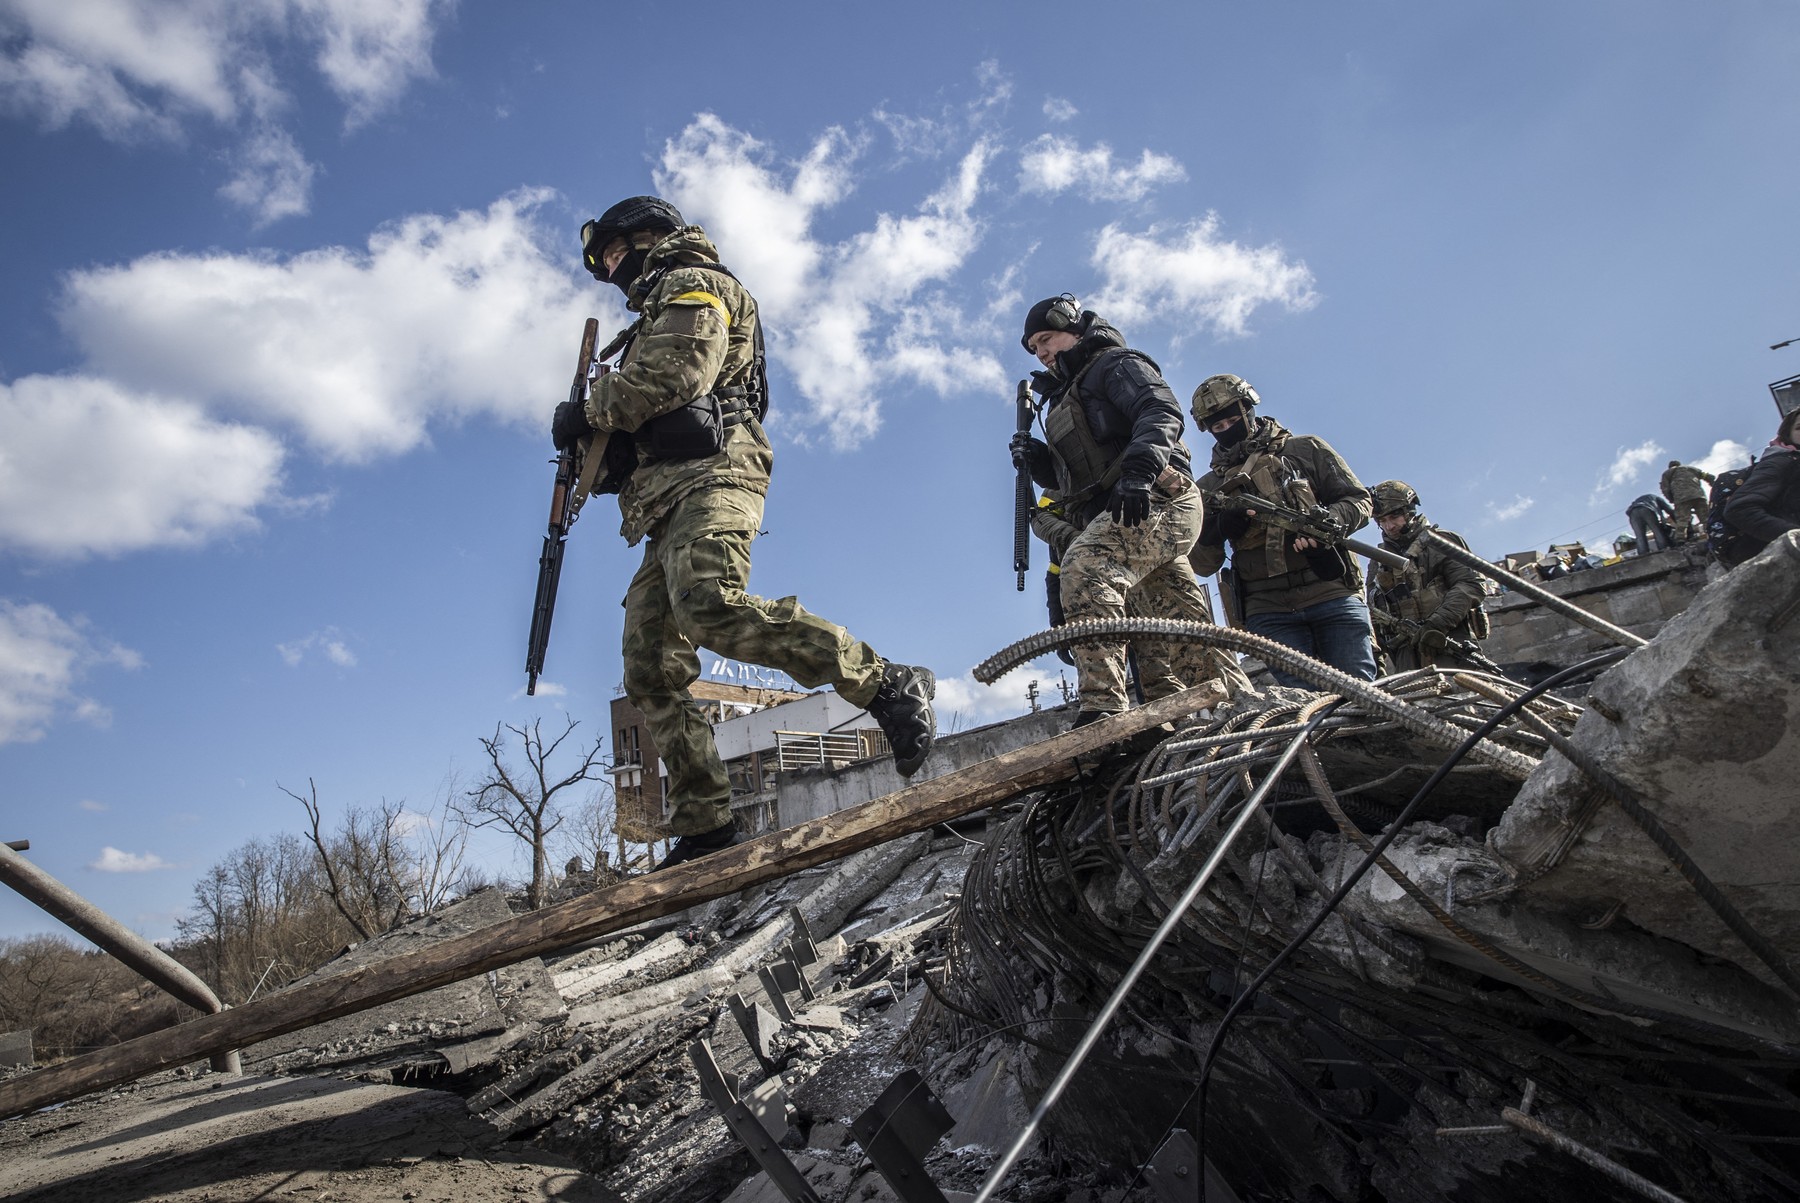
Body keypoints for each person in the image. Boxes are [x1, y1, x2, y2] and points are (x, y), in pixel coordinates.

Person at [553, 196, 936, 869]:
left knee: (710, 605)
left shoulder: (697, 282)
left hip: (717, 474)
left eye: (617, 253)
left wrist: (590, 407)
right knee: (649, 663)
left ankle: (884, 681)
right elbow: (638, 436)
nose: (614, 271)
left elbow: (680, 374)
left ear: (650, 237)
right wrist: (590, 442)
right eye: (604, 264)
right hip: (664, 501)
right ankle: (706, 819)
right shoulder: (643, 319)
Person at [1010, 295, 1239, 725]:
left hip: (1155, 497)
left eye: (1047, 338)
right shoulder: (1062, 400)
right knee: (1171, 634)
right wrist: (1039, 460)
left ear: (1074, 329)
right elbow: (1074, 480)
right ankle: (1227, 712)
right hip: (1123, 514)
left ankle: (1103, 706)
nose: (1041, 353)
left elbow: (1160, 410)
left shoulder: (1113, 364)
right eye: (1033, 348)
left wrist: (1138, 472)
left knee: (1087, 565)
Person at [1189, 374, 1379, 688]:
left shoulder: (1304, 450)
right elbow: (1202, 564)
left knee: (1360, 692)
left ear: (1249, 409)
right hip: (1269, 609)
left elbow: (1358, 500)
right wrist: (1218, 529)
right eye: (1217, 428)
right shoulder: (1209, 487)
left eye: (1233, 421)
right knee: (1301, 703)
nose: (1226, 431)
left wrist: (1326, 524)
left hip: (1330, 592)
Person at [1364, 481, 1488, 672]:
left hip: (1448, 642)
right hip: (1405, 653)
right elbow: (1372, 612)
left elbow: (1470, 585)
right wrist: (1376, 662)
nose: (1389, 526)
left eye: (1394, 516)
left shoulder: (1441, 542)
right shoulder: (1379, 560)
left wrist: (1436, 624)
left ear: (1409, 511)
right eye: (1381, 520)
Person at [1722, 409, 1800, 562]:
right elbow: (1740, 509)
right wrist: (1794, 535)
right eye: (1799, 428)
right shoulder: (1781, 462)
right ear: (1787, 435)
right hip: (1777, 561)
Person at [1659, 460, 1715, 544]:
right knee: (1706, 518)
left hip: (1681, 498)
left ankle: (1681, 539)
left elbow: (1665, 489)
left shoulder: (1667, 473)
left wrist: (1671, 499)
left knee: (1682, 520)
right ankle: (1713, 532)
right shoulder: (1691, 469)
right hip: (1698, 496)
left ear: (1670, 466)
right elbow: (1709, 476)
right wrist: (1714, 485)